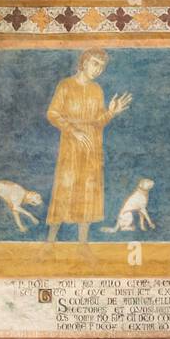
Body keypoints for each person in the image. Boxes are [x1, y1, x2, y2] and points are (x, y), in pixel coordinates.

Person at [46, 49, 131, 243]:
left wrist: (111, 113)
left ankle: (83, 244)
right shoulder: (66, 85)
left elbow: (98, 123)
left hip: (92, 146)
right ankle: (50, 242)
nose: (98, 69)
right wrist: (72, 130)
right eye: (95, 64)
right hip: (71, 145)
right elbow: (52, 113)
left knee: (88, 192)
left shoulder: (97, 90)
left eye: (102, 66)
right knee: (64, 190)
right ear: (84, 63)